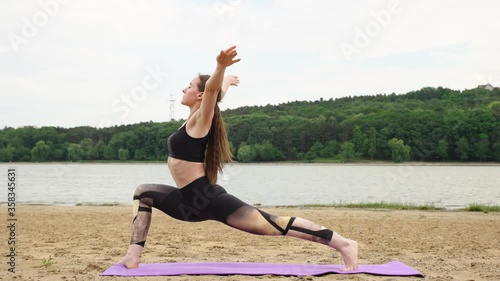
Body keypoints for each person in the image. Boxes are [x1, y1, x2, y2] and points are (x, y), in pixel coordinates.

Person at [118, 46, 358, 271]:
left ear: (200, 95)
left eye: (188, 85)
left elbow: (212, 92)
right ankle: (133, 255)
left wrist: (220, 68)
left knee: (273, 224)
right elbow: (215, 91)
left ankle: (343, 244)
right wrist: (228, 83)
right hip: (185, 202)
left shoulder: (201, 120)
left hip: (206, 199)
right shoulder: (193, 117)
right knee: (144, 193)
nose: (183, 89)